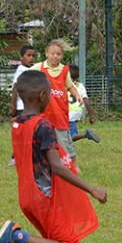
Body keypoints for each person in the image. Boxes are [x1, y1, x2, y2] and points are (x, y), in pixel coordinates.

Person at [0, 70, 108, 243]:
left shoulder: (18, 124)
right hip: (45, 196)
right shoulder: (43, 125)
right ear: (44, 95)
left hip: (28, 195)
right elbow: (56, 166)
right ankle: (17, 236)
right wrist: (91, 189)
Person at [31, 39, 84, 172]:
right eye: (52, 53)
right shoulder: (39, 68)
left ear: (61, 56)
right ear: (46, 53)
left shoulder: (64, 70)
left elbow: (69, 86)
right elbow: (25, 77)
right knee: (41, 138)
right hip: (44, 112)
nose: (55, 56)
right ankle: (42, 163)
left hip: (59, 112)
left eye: (58, 54)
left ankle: (74, 164)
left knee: (65, 140)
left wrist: (77, 95)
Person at [8, 44, 37, 165]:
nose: (31, 58)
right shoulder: (21, 71)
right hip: (22, 108)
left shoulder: (31, 70)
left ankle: (25, 156)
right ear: (21, 57)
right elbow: (15, 88)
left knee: (29, 132)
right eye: (28, 55)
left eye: (33, 56)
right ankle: (15, 157)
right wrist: (13, 107)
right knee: (23, 132)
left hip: (30, 107)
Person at [68, 65, 100, 144]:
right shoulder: (80, 86)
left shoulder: (64, 84)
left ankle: (86, 135)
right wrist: (91, 116)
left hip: (67, 113)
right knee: (67, 134)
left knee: (70, 136)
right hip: (77, 112)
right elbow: (87, 102)